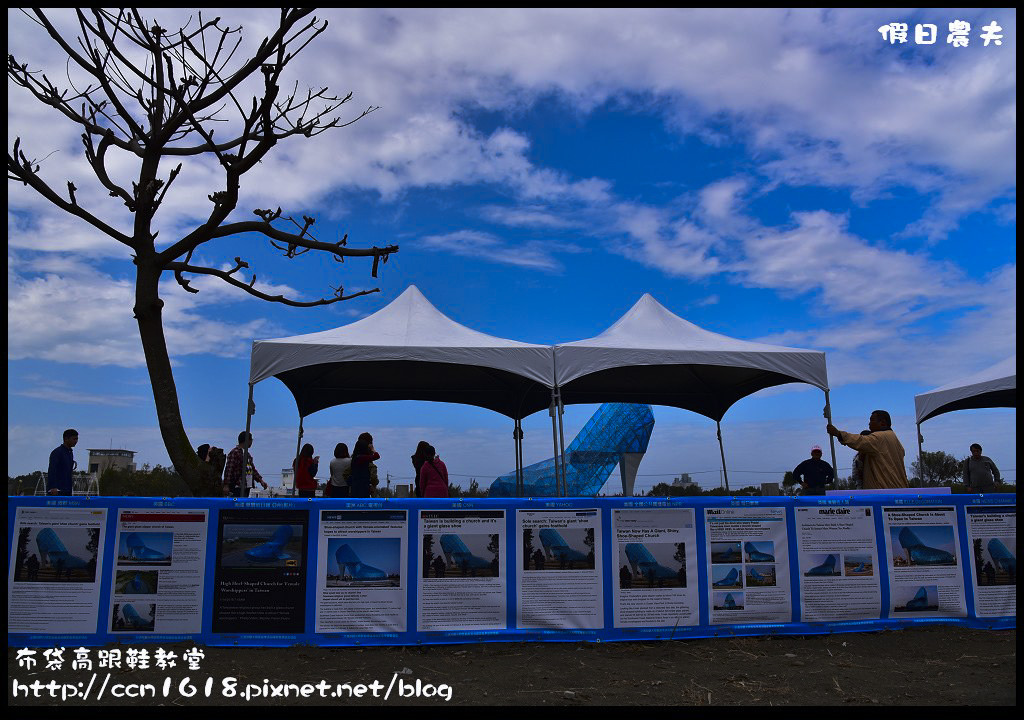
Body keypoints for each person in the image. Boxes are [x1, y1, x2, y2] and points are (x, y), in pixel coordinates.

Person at [826, 410, 908, 489]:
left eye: (872, 420)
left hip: (883, 492)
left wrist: (839, 434)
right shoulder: (894, 439)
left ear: (883, 422)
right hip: (899, 489)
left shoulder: (879, 437)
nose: (869, 423)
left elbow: (859, 441)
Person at [223, 431, 268, 498]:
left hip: (247, 486)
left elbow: (252, 469)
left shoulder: (247, 454)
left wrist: (261, 480)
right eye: (251, 439)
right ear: (247, 440)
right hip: (237, 486)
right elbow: (229, 469)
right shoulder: (235, 452)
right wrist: (226, 485)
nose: (252, 441)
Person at [47, 428, 79, 496]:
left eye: (77, 439)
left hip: (67, 489)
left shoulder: (70, 453)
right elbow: (52, 470)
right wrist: (53, 487)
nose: (76, 441)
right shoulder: (57, 452)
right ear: (66, 439)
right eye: (74, 439)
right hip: (57, 490)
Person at [349, 433, 380, 498]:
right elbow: (377, 456)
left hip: (355, 485)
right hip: (363, 485)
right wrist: (373, 449)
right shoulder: (362, 457)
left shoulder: (355, 457)